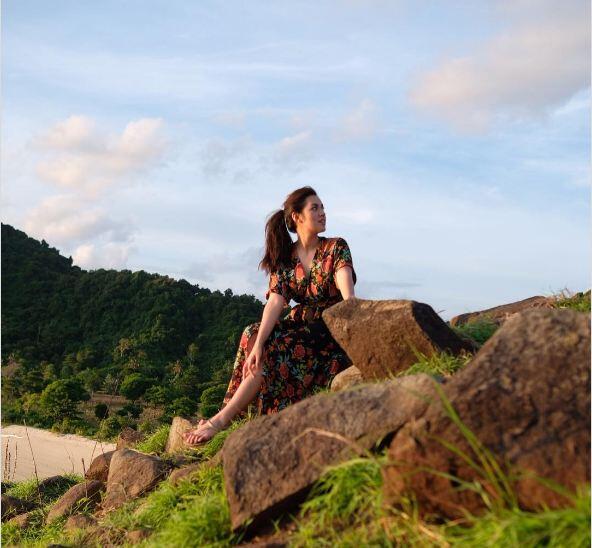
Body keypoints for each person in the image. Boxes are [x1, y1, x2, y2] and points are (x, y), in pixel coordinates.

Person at [183, 186, 357, 445]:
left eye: (322, 207)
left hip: (328, 330)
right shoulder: (286, 258)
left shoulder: (335, 247)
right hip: (301, 325)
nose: (323, 213)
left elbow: (347, 292)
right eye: (315, 208)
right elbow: (275, 302)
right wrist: (258, 343)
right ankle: (228, 413)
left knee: (274, 348)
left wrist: (354, 319)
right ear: (297, 216)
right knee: (252, 335)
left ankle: (220, 421)